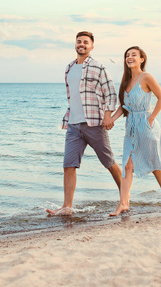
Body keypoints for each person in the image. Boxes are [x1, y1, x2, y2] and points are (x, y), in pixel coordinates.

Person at [46, 31, 122, 216]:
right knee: (68, 165)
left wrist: (108, 115)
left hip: (94, 123)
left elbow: (110, 93)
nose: (81, 44)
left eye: (85, 42)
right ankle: (67, 207)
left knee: (109, 162)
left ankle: (125, 198)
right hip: (73, 124)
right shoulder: (69, 68)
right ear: (75, 45)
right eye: (79, 42)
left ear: (92, 46)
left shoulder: (98, 67)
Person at [109, 46, 161, 216]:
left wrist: (150, 119)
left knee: (154, 162)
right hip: (130, 127)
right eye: (127, 55)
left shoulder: (146, 77)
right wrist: (110, 120)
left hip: (146, 125)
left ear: (142, 59)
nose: (130, 57)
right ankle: (123, 203)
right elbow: (124, 107)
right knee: (128, 165)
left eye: (133, 55)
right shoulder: (126, 81)